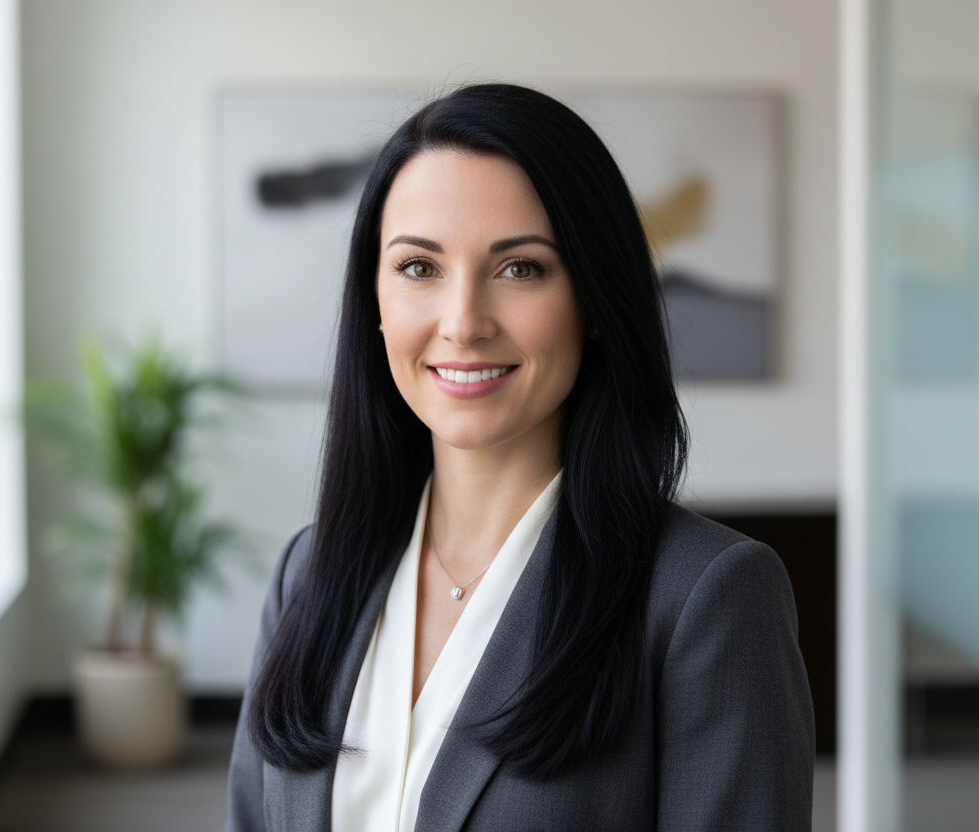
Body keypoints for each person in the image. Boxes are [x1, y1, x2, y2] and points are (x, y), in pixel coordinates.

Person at [225, 83, 814, 832]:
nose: (463, 323)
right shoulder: (308, 574)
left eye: (521, 268)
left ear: (596, 301)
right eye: (418, 267)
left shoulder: (705, 599)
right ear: (373, 298)